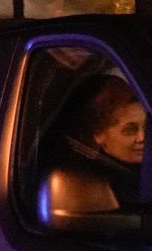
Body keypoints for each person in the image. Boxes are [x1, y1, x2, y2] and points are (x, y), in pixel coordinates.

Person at [42, 74, 146, 215]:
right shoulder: (99, 184)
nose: (142, 137)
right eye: (129, 130)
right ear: (99, 134)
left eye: (147, 127)